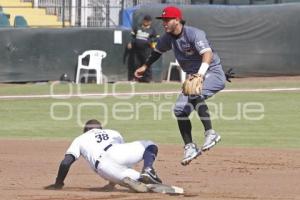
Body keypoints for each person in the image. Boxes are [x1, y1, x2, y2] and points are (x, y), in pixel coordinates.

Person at [134, 6, 226, 166]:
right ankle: (190, 147)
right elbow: (157, 51)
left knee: (194, 92)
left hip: (212, 72)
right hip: (193, 78)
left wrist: (200, 74)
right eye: (163, 20)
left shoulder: (194, 33)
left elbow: (207, 54)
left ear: (177, 20)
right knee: (179, 110)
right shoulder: (168, 38)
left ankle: (211, 133)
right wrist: (145, 66)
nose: (164, 23)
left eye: (167, 19)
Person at [44, 119, 162, 191]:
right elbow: (125, 159)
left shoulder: (80, 139)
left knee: (135, 181)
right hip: (117, 151)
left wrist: (58, 184)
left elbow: (65, 163)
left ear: (85, 131)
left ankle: (133, 180)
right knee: (149, 145)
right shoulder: (112, 132)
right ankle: (147, 170)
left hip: (104, 168)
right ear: (101, 129)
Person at [127, 14, 158, 82]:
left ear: (150, 22)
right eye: (145, 20)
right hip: (136, 49)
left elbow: (156, 38)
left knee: (146, 63)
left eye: (148, 21)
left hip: (146, 50)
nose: (147, 22)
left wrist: (150, 41)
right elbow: (132, 36)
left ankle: (147, 79)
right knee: (136, 64)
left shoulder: (152, 30)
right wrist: (130, 42)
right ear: (143, 20)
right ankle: (136, 78)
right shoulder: (137, 27)